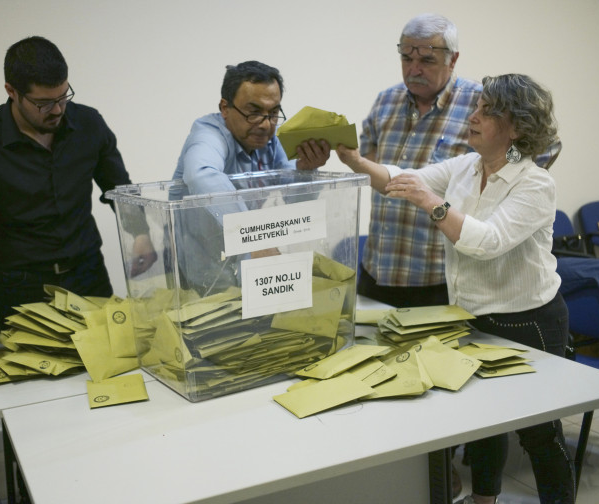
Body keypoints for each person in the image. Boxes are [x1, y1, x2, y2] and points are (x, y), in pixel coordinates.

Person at [338, 73, 575, 504]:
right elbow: (401, 178)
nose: (474, 116)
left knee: (539, 432)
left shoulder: (535, 183)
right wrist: (356, 161)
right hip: (473, 316)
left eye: (488, 111)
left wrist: (432, 204)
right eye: (477, 107)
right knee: (482, 420)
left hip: (528, 322)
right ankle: (484, 500)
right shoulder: (467, 165)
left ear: (517, 126)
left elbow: (487, 243)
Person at [0, 36, 155, 375]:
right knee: (35, 399)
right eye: (44, 103)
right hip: (24, 291)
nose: (57, 109)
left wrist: (140, 232)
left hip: (89, 280)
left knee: (112, 377)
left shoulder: (89, 124)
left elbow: (120, 190)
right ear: (11, 91)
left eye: (63, 97)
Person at [359, 13, 560, 309]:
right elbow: (395, 173)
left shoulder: (482, 98)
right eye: (405, 58)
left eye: (426, 60)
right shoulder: (386, 102)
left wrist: (500, 181)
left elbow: (540, 148)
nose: (414, 68)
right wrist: (351, 159)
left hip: (442, 277)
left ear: (452, 60)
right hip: (380, 266)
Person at [172, 61, 330, 294]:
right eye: (253, 112)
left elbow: (295, 202)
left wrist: (306, 171)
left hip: (249, 266)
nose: (265, 124)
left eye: (273, 113)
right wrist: (252, 239)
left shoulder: (270, 141)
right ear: (225, 108)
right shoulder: (208, 133)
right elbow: (200, 174)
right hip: (203, 272)